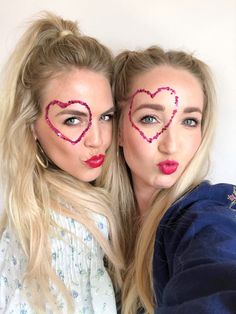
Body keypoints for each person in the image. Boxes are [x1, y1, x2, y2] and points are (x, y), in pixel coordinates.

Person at [0, 11, 123, 313]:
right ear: (32, 127)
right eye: (72, 119)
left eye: (106, 116)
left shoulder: (30, 206)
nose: (98, 138)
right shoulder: (70, 225)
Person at [103, 46, 236, 313]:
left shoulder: (203, 215)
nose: (171, 145)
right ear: (117, 131)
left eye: (189, 121)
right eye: (150, 118)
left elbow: (217, 267)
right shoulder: (94, 226)